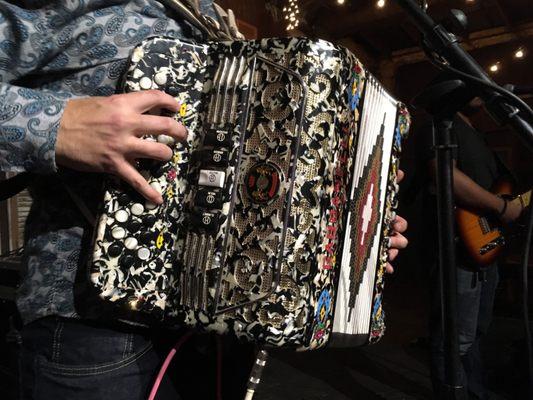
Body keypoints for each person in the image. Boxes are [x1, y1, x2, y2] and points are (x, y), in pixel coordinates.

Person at [0, 1, 408, 399]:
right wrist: (57, 125)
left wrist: (356, 240)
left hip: (222, 335)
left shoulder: (212, 18)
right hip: (95, 327)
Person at [416, 97, 523, 399]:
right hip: (456, 247)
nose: (481, 93)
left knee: (475, 330)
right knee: (453, 336)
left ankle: (474, 391)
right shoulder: (440, 126)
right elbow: (445, 174)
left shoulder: (478, 136)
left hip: (484, 246)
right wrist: (501, 207)